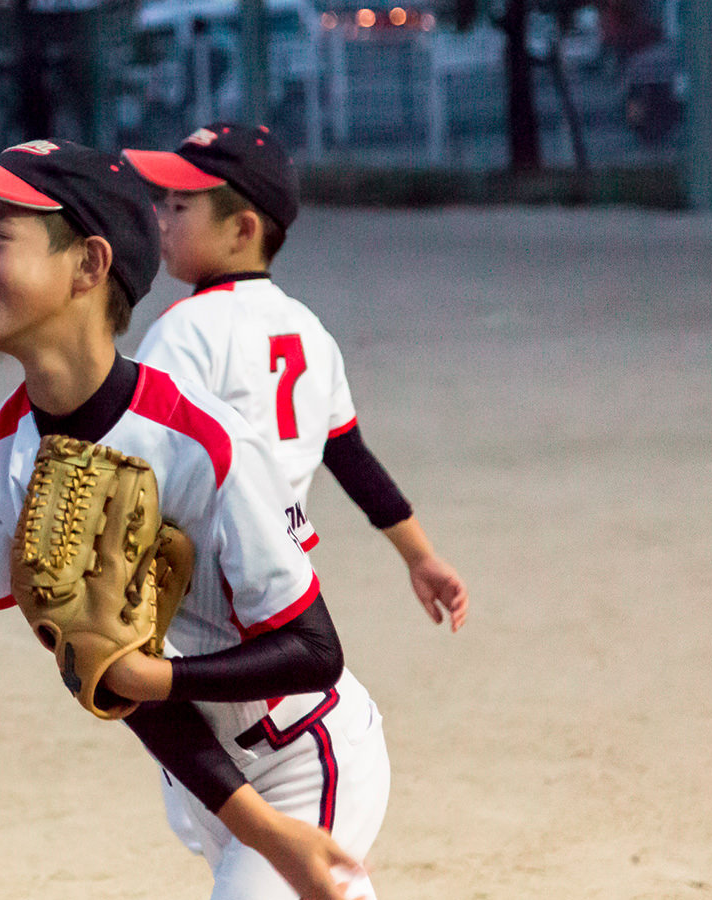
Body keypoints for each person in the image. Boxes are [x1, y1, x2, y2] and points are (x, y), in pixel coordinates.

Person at [0, 135, 386, 900]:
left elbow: (315, 650)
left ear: (90, 266)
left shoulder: (207, 441)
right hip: (206, 782)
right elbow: (105, 672)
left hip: (304, 757)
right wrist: (245, 817)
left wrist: (158, 677)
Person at [122, 124, 467, 633]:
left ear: (243, 230)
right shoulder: (309, 329)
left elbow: (136, 462)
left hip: (200, 589)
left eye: (179, 207)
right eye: (163, 203)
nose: (161, 220)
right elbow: (350, 456)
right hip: (284, 582)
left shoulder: (185, 329)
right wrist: (420, 555)